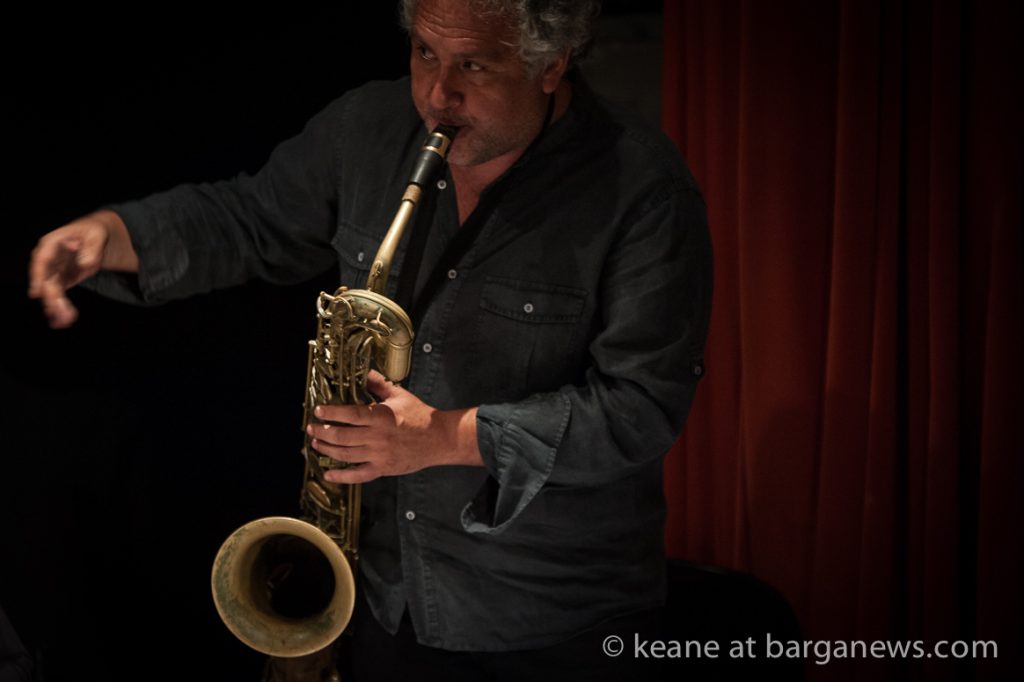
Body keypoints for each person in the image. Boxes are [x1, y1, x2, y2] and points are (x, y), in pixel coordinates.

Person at [28, 0, 712, 679]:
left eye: (473, 65)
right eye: (425, 53)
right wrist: (115, 236)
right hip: (385, 598)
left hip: (552, 615)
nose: (437, 94)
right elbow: (251, 220)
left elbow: (641, 408)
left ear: (551, 65)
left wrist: (446, 437)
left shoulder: (642, 191)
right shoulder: (367, 128)